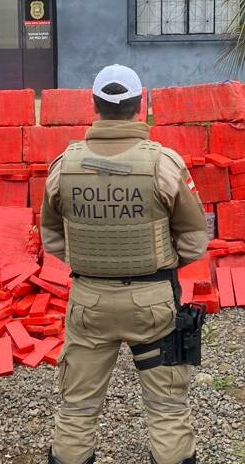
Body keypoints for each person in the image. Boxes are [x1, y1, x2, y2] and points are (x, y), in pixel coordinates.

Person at [40, 64, 209, 464]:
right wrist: (160, 263)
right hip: (152, 300)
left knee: (77, 407)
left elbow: (51, 237)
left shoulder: (64, 164)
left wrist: (90, 260)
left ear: (94, 105)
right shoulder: (165, 164)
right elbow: (195, 238)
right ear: (140, 105)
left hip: (88, 301)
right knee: (167, 408)